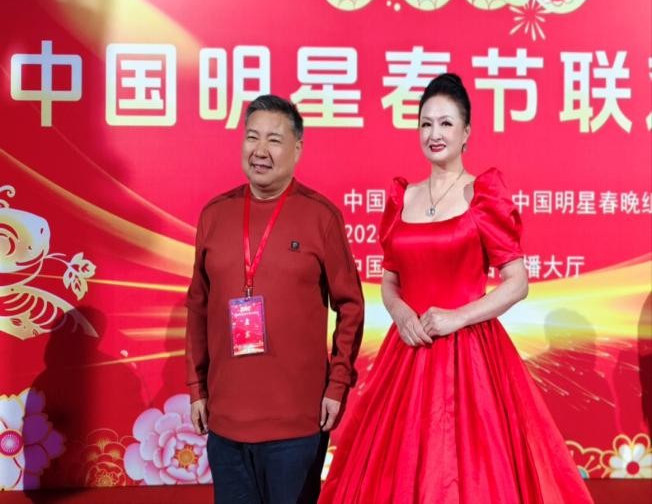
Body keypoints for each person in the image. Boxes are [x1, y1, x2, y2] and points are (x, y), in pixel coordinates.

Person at [319, 74, 593, 503]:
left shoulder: (481, 195)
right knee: (398, 469)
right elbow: (390, 280)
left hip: (471, 357)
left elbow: (517, 282)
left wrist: (457, 317)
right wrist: (401, 313)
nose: (435, 134)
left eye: (446, 124)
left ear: (466, 132)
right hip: (408, 352)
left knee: (471, 472)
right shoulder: (403, 198)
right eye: (426, 124)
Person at [185, 94, 364, 504]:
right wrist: (196, 387)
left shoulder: (321, 217)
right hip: (226, 425)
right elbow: (197, 306)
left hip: (297, 427)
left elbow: (351, 306)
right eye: (252, 137)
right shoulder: (215, 215)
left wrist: (337, 384)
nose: (260, 150)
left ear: (297, 149)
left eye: (274, 139)